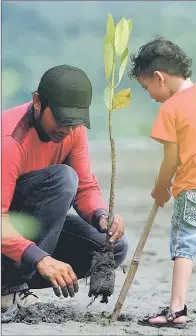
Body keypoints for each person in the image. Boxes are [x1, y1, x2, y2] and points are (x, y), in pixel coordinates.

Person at [129, 36, 196, 329]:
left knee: (184, 247)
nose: (150, 95)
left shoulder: (170, 109)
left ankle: (176, 310)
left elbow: (171, 160)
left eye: (146, 87)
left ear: (159, 77)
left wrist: (161, 188)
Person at [1, 64, 128, 310]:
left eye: (74, 122)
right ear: (38, 102)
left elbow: (85, 186)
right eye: (60, 119)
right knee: (63, 178)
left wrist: (102, 216)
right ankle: (8, 287)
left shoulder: (73, 131)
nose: (67, 130)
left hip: (27, 237)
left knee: (111, 247)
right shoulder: (9, 141)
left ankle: (16, 282)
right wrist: (41, 259)